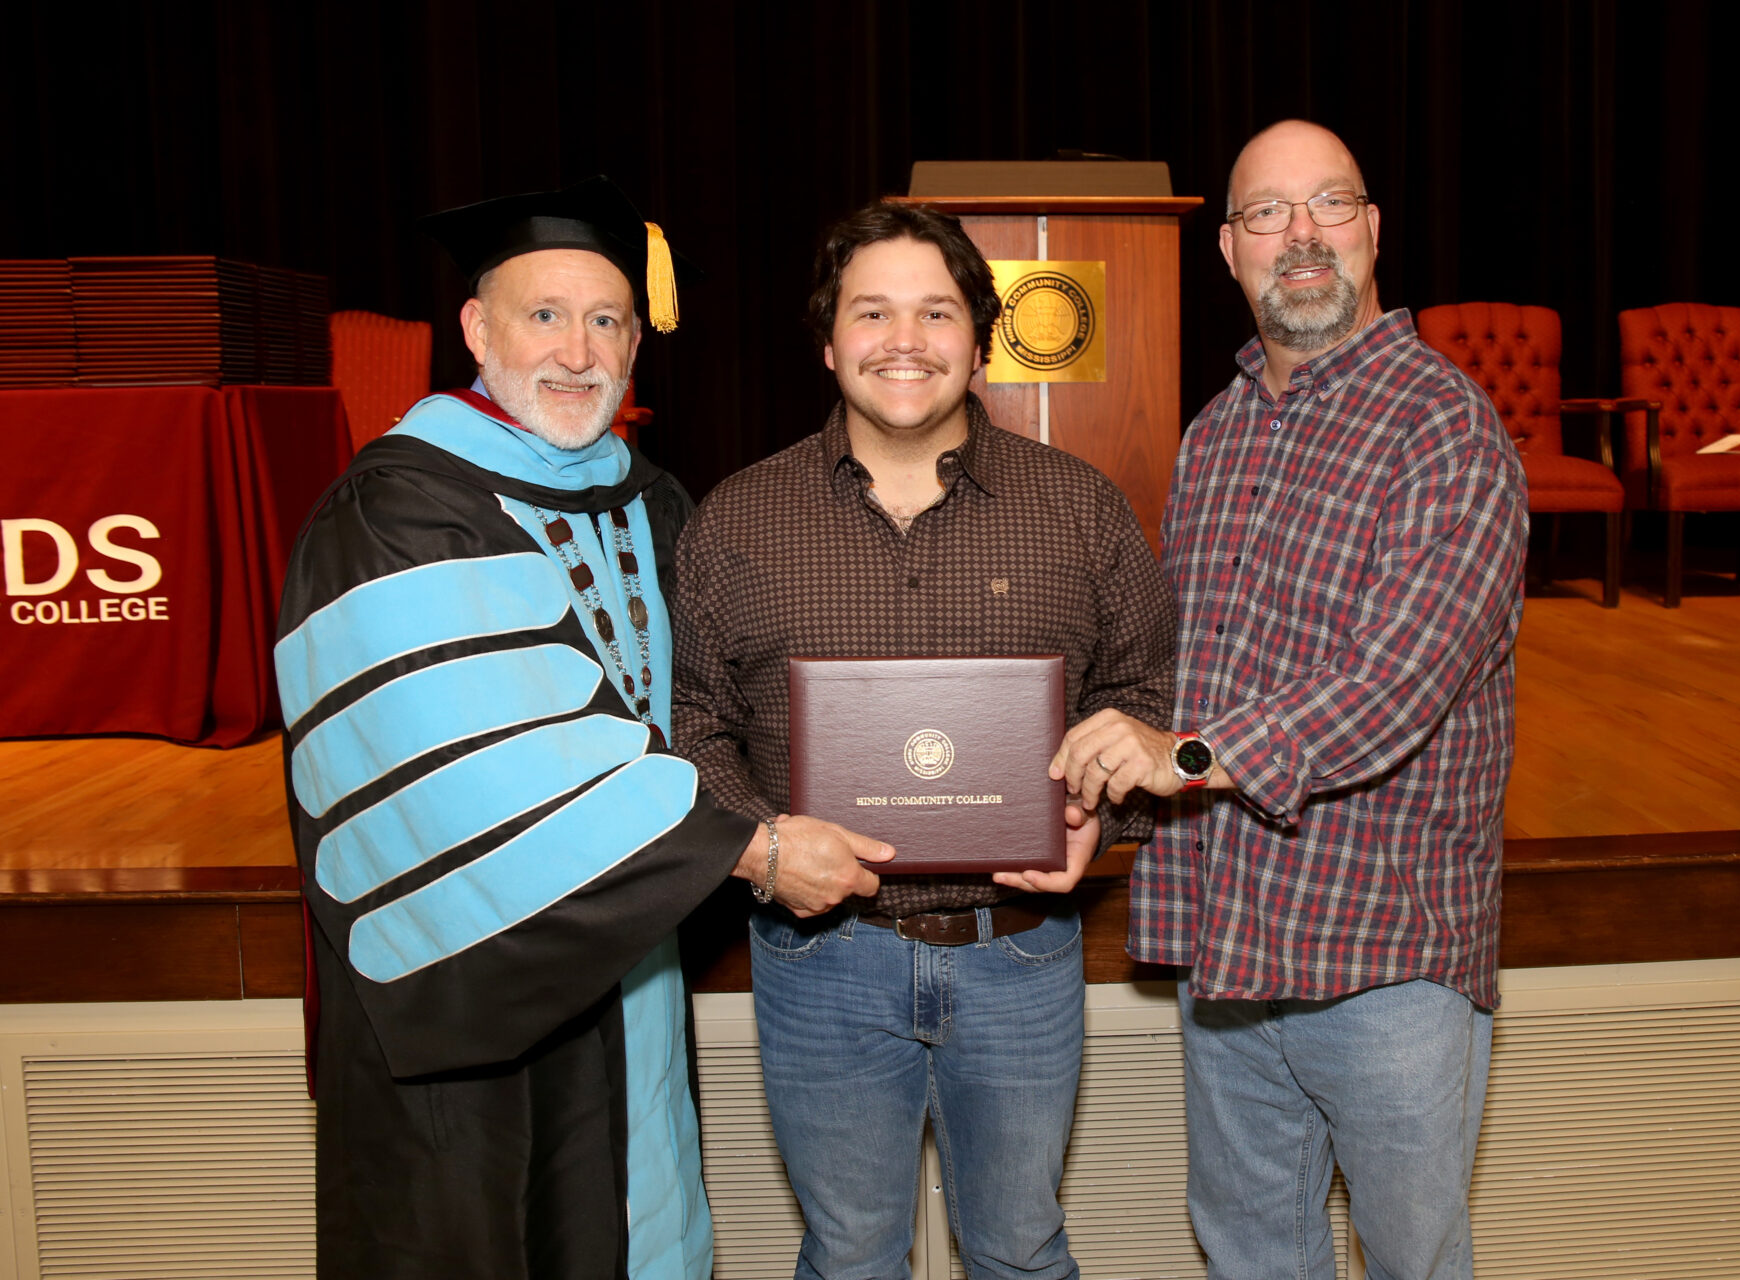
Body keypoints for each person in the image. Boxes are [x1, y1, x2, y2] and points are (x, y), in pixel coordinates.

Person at [274, 176, 891, 1280]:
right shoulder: (399, 509)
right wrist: (753, 849)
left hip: (630, 936)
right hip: (477, 971)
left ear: (637, 343)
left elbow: (721, 697)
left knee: (641, 1204)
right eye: (545, 315)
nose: (578, 352)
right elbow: (487, 765)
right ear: (478, 330)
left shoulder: (651, 499)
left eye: (607, 320)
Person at [1050, 121, 1528, 1279]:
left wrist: (1180, 757)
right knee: (1251, 1255)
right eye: (1269, 212)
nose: (1302, 234)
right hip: (1232, 942)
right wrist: (1088, 797)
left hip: (1384, 958)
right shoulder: (1215, 434)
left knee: (1414, 1262)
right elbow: (1183, 680)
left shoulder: (1445, 427)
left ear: (1373, 230)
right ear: (1229, 249)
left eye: (1330, 204)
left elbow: (1392, 684)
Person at [671, 201, 1176, 1280]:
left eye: (937, 312)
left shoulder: (1079, 509)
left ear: (979, 337)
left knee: (1023, 1250)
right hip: (820, 960)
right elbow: (694, 720)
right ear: (827, 339)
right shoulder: (737, 521)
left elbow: (1145, 692)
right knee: (850, 1254)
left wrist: (1100, 819)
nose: (905, 340)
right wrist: (765, 846)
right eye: (872, 311)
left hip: (1020, 950)